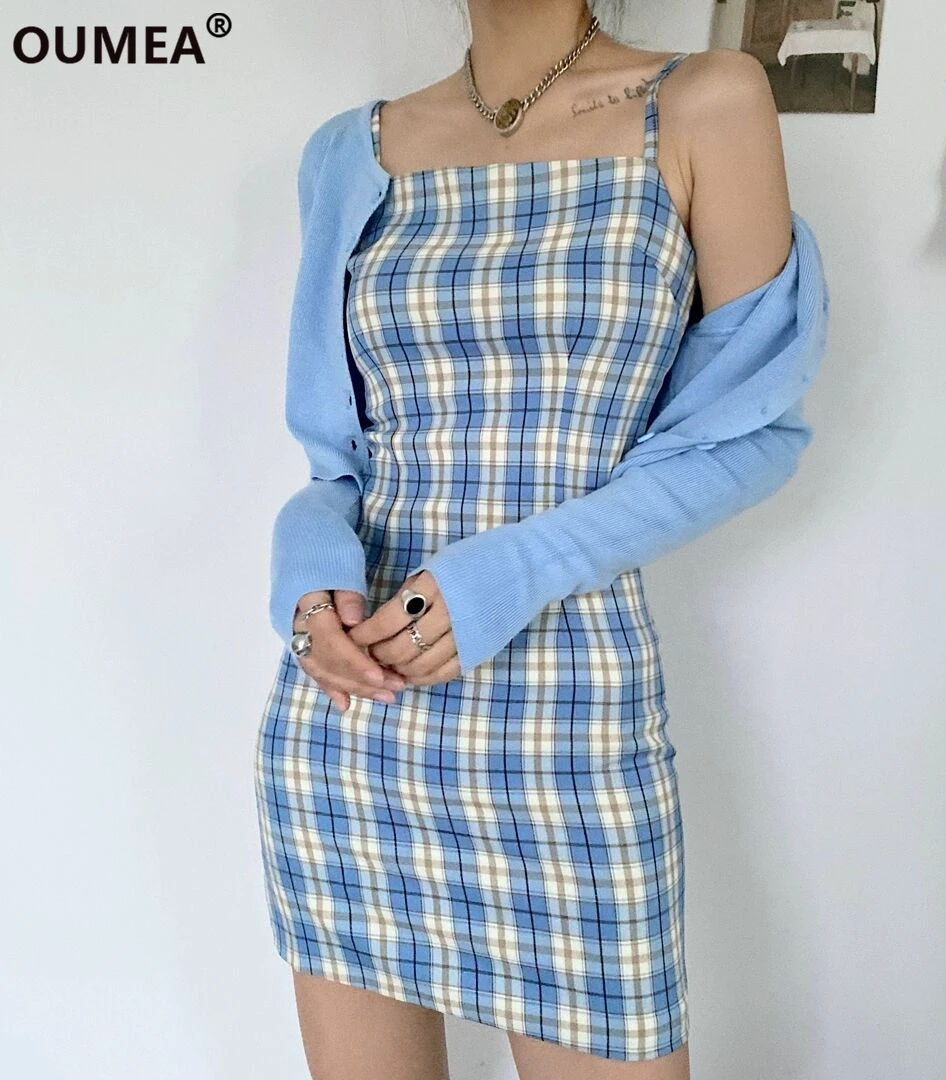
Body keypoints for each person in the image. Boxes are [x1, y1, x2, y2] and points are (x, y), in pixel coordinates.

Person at [254, 2, 826, 1077]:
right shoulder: (349, 152)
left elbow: (751, 435)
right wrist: (308, 586)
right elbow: (336, 464)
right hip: (354, 725)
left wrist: (513, 570)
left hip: (568, 730)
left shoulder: (704, 103)